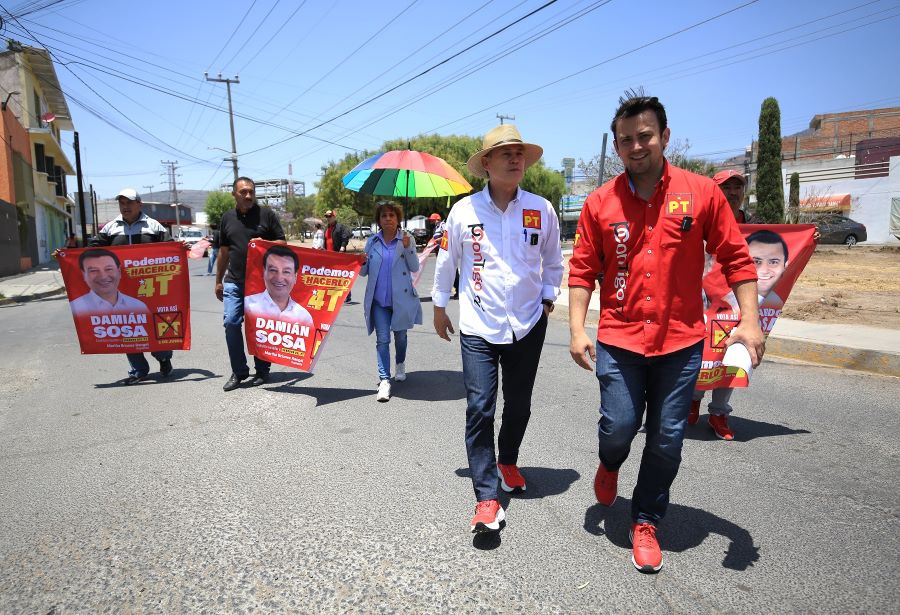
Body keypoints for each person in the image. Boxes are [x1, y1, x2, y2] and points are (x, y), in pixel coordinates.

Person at [567, 94, 765, 572]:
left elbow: (736, 257)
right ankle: (610, 463)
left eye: (646, 136)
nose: (637, 146)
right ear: (616, 145)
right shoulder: (599, 202)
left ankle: (646, 519)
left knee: (667, 439)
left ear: (665, 137)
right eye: (627, 139)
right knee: (618, 428)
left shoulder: (701, 193)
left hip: (680, 341)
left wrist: (750, 319)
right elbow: (581, 271)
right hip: (620, 338)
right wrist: (577, 329)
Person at [432, 124, 564, 533]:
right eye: (505, 153)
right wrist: (439, 306)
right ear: (486, 164)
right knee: (480, 407)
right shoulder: (464, 211)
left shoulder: (540, 209)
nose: (514, 159)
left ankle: (508, 459)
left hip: (527, 323)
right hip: (478, 325)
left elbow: (554, 260)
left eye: (519, 152)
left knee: (519, 404)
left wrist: (547, 296)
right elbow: (447, 261)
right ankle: (486, 497)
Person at [688, 175, 786, 439]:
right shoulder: (702, 218)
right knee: (702, 353)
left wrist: (809, 237)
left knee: (733, 353)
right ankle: (693, 400)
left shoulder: (753, 226)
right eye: (726, 187)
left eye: (737, 187)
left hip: (738, 299)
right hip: (704, 298)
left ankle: (719, 413)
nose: (732, 192)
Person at [85, 188, 177, 385]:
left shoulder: (154, 226)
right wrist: (66, 255)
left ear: (139, 204)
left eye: (129, 203)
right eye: (122, 203)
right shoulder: (110, 228)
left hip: (150, 287)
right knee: (127, 327)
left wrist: (181, 248)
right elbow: (92, 250)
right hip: (121, 289)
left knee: (153, 326)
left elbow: (170, 247)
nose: (125, 207)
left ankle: (163, 357)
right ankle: (139, 369)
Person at [215, 177, 287, 392]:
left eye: (251, 192)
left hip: (261, 284)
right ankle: (239, 371)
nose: (248, 196)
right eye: (243, 192)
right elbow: (224, 251)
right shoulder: (227, 218)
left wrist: (262, 243)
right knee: (230, 322)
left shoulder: (267, 215)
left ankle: (262, 370)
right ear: (234, 194)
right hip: (234, 282)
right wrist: (218, 280)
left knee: (259, 326)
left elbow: (282, 242)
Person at [360, 201, 422, 402]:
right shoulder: (372, 241)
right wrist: (361, 260)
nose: (388, 218)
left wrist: (407, 248)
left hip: (400, 300)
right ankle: (385, 380)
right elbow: (363, 272)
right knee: (382, 340)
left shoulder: (406, 239)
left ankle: (400, 363)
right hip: (379, 302)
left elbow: (413, 267)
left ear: (397, 219)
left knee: (401, 337)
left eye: (392, 215)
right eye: (384, 215)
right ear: (379, 220)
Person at [245, 244, 314, 325]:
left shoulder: (303, 317)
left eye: (286, 272)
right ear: (264, 272)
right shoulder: (248, 304)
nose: (279, 278)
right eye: (273, 270)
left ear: (295, 277)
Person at [69, 249, 149, 316]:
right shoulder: (76, 308)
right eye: (93, 271)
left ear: (119, 272)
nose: (103, 277)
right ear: (84, 275)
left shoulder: (138, 306)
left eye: (109, 269)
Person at [323, 210, 352, 300]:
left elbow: (345, 237)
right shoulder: (326, 228)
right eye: (327, 217)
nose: (328, 218)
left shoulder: (340, 227)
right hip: (328, 256)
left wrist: (342, 248)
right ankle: (334, 294)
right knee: (331, 276)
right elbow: (326, 241)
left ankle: (347, 295)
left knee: (341, 275)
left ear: (334, 217)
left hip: (338, 255)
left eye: (330, 216)